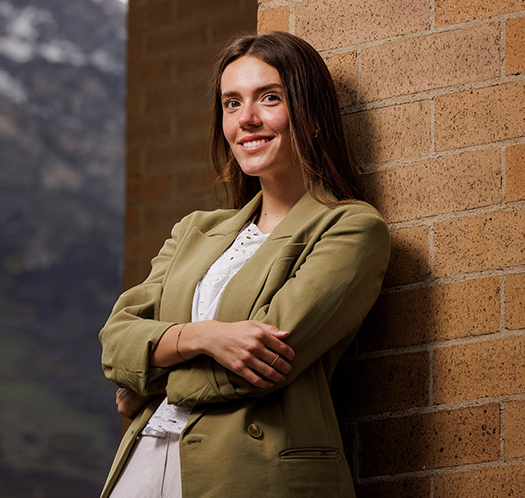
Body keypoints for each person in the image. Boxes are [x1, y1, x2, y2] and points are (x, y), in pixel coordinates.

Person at [98, 31, 391, 498]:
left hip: (250, 471)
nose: (247, 119)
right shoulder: (195, 230)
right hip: (145, 458)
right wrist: (202, 336)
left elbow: (259, 364)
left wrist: (151, 382)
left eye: (269, 98)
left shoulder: (350, 228)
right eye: (231, 104)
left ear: (311, 115)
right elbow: (115, 342)